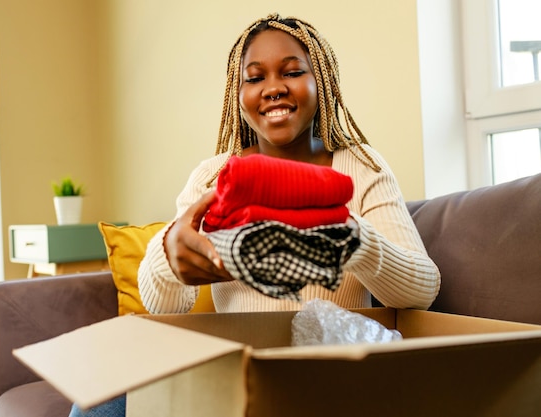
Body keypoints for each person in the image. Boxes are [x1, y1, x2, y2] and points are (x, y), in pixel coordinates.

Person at [69, 13, 440, 417]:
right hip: (237, 376)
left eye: (293, 71)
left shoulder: (362, 167)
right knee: (100, 395)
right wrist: (170, 257)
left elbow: (422, 290)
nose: (274, 88)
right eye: (255, 77)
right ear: (237, 92)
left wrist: (353, 239)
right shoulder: (214, 176)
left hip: (327, 374)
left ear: (323, 81)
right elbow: (164, 307)